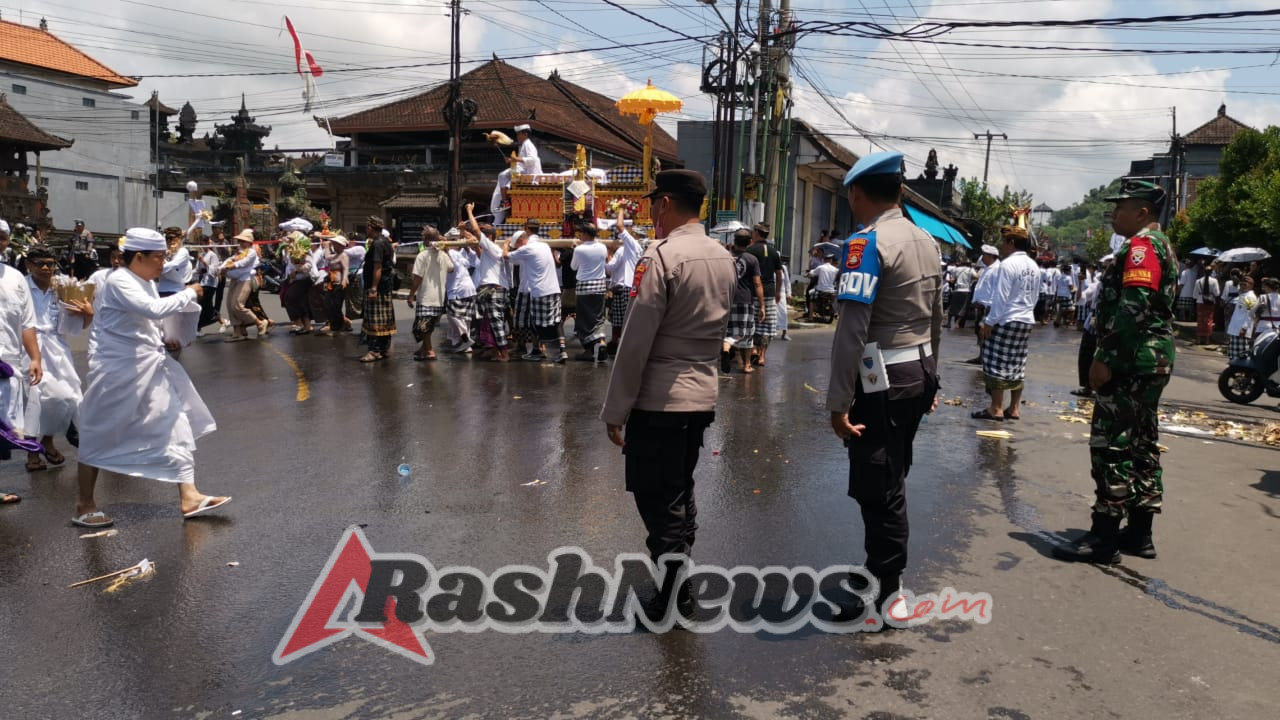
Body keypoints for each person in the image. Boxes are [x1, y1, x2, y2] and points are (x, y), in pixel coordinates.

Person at [600, 169, 735, 621]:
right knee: (678, 489)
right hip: (701, 394)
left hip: (659, 398)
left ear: (664, 204)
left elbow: (636, 341)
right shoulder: (722, 255)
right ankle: (680, 583)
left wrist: (616, 409)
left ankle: (674, 597)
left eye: (652, 203)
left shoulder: (662, 256)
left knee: (658, 499)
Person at [826, 151, 942, 620]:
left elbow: (852, 332)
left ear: (856, 193)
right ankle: (881, 567)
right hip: (917, 371)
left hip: (883, 381)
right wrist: (933, 380)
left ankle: (885, 586)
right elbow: (936, 318)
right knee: (891, 472)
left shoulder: (866, 244)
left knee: (880, 482)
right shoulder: (925, 240)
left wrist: (837, 404)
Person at [72, 228, 231, 528]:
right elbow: (152, 308)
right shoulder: (119, 280)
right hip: (119, 371)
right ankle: (84, 504)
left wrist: (165, 337)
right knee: (101, 432)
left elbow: (147, 321)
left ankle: (190, 495)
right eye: (158, 258)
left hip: (150, 366)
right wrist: (188, 292)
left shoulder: (143, 281)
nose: (163, 263)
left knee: (175, 423)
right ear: (139, 257)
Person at [1054, 180, 1177, 563]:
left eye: (1121, 207)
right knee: (1141, 444)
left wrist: (1104, 356)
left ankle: (1104, 537)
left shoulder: (1142, 247)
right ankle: (1139, 533)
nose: (1113, 213)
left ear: (1142, 212)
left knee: (1111, 446)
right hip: (1149, 360)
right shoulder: (1160, 245)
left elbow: (1134, 304)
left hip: (1131, 360)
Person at [22, 247, 91, 472]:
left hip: (57, 348)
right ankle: (32, 450)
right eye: (40, 263)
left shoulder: (61, 287)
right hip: (28, 347)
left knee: (67, 397)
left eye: (50, 264)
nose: (45, 268)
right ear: (29, 265)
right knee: (34, 397)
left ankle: (47, 440)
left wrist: (87, 315)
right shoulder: (20, 286)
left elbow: (75, 325)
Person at [973, 226, 1039, 422]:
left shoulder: (1007, 265)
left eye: (1003, 242)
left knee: (995, 362)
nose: (1001, 246)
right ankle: (1014, 408)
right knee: (1017, 363)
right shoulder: (1033, 266)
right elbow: (1035, 297)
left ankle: (996, 408)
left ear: (1011, 243)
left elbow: (1000, 297)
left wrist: (989, 322)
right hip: (1025, 319)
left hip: (1007, 317)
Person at [0, 221, 43, 505]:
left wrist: (35, 357)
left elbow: (27, 324)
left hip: (7, 365)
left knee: (2, 430)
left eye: (1, 238)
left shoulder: (15, 278)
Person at [505, 220, 566, 363]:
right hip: (554, 289)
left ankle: (538, 350)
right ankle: (562, 351)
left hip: (540, 291)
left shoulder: (527, 248)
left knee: (537, 324)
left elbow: (506, 256)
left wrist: (506, 245)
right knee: (555, 321)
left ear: (525, 231)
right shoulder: (545, 245)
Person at [464, 203, 512, 362]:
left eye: (483, 235)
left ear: (489, 237)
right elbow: (477, 248)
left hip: (494, 289)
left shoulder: (492, 247)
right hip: (491, 289)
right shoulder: (489, 252)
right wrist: (463, 231)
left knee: (496, 323)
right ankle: (497, 352)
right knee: (490, 322)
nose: (478, 237)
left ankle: (504, 354)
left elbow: (477, 232)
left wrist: (470, 211)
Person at [407, 227, 454, 361]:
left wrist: (411, 295)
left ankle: (429, 350)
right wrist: (446, 249)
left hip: (426, 297)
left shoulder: (422, 256)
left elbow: (417, 278)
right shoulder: (443, 256)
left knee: (423, 327)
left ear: (426, 240)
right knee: (429, 326)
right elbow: (452, 268)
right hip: (439, 298)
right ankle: (423, 349)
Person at [721, 229, 764, 374]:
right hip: (745, 300)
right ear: (749, 242)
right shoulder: (752, 259)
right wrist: (762, 305)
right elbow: (757, 283)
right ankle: (745, 364)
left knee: (729, 328)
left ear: (734, 240)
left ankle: (726, 349)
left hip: (726, 298)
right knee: (746, 332)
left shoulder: (726, 257)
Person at [1071, 255, 1114, 398]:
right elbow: (1081, 298)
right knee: (1086, 354)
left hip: (1109, 323)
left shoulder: (1118, 286)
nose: (1105, 270)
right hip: (1093, 322)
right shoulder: (1097, 285)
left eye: (1109, 267)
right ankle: (1087, 387)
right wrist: (1080, 282)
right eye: (1104, 267)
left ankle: (1102, 388)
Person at [605, 211, 645, 355]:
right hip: (631, 287)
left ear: (635, 237)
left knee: (619, 320)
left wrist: (620, 208)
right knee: (626, 319)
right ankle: (621, 344)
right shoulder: (638, 249)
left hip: (625, 288)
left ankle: (621, 345)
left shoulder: (631, 246)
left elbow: (620, 225)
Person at [570, 223, 610, 362]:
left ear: (586, 234)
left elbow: (573, 266)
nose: (580, 236)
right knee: (598, 318)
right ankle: (602, 342)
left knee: (584, 319)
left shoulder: (579, 249)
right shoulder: (602, 247)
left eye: (581, 233)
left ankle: (588, 350)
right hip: (599, 286)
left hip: (584, 287)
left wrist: (576, 247)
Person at [745, 223, 784, 366]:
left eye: (753, 232)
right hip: (769, 292)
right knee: (768, 324)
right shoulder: (774, 252)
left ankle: (754, 350)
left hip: (753, 292)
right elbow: (779, 274)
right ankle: (762, 356)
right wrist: (779, 291)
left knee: (753, 322)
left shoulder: (750, 250)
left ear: (757, 233)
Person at [361, 216, 397, 362]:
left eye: (367, 227)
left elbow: (378, 267)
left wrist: (374, 288)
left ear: (370, 228)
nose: (366, 229)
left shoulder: (378, 244)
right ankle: (383, 348)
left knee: (375, 320)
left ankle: (375, 350)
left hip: (378, 287)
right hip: (385, 285)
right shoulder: (385, 242)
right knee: (384, 320)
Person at [221, 229, 268, 341]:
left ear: (249, 242)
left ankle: (259, 323)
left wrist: (231, 266)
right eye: (240, 240)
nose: (241, 243)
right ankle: (237, 332)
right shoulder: (239, 251)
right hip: (235, 279)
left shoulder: (251, 252)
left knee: (237, 305)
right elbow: (229, 260)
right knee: (230, 305)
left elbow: (243, 262)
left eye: (244, 241)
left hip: (245, 280)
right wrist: (222, 267)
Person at [966, 244, 1000, 364]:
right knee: (978, 331)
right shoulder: (987, 269)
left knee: (984, 331)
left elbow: (996, 290)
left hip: (988, 307)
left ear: (991, 256)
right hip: (980, 305)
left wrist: (988, 305)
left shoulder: (997, 270)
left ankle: (986, 356)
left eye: (984, 255)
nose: (982, 257)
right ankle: (981, 355)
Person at [444, 234, 478, 353]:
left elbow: (473, 263)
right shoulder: (459, 254)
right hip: (468, 288)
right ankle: (466, 344)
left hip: (458, 289)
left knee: (452, 314)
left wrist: (444, 245)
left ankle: (465, 339)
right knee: (465, 318)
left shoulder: (453, 253)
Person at [316, 235, 350, 338]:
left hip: (339, 283)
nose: (334, 246)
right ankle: (337, 325)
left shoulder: (343, 255)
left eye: (336, 244)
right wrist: (327, 246)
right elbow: (327, 257)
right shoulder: (334, 255)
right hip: (331, 282)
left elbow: (346, 269)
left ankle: (337, 328)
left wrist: (344, 281)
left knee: (336, 306)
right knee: (329, 305)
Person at [1225, 274, 1258, 361]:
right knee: (1233, 354)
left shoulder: (1250, 297)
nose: (1243, 286)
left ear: (1251, 285)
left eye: (1245, 284)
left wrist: (1244, 328)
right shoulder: (1243, 295)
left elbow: (1250, 315)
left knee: (1240, 355)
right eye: (1241, 284)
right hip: (1235, 330)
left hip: (1241, 331)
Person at [1192, 263, 1220, 345]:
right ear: (1211, 272)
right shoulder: (1214, 281)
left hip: (1200, 301)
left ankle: (1199, 339)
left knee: (1200, 320)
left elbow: (1194, 295)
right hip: (1210, 302)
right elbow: (1217, 293)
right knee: (1209, 320)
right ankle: (1207, 340)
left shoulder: (1198, 281)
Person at [807, 253, 838, 323]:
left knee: (811, 298)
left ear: (824, 260)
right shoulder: (835, 269)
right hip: (831, 291)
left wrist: (808, 274)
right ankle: (835, 313)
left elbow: (812, 273)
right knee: (835, 299)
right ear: (831, 260)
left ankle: (810, 318)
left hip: (820, 290)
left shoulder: (821, 267)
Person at [945, 258, 975, 329]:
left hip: (957, 290)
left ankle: (948, 323)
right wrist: (970, 280)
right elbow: (976, 276)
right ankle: (957, 323)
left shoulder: (956, 269)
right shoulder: (971, 270)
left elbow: (952, 279)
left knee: (952, 306)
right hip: (966, 290)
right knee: (963, 308)